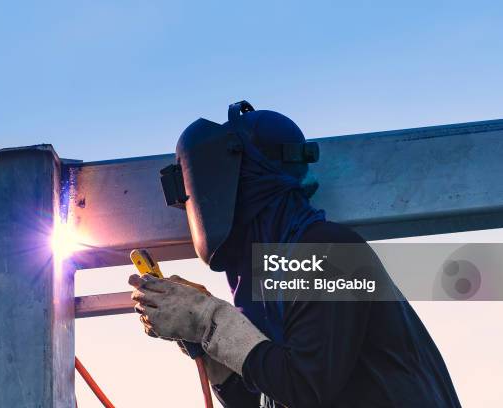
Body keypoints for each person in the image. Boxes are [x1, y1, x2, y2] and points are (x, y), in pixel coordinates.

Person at [129, 101, 461, 407]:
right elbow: (268, 397)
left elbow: (304, 387)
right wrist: (202, 341)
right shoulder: (273, 281)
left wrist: (207, 320)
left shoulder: (326, 252)